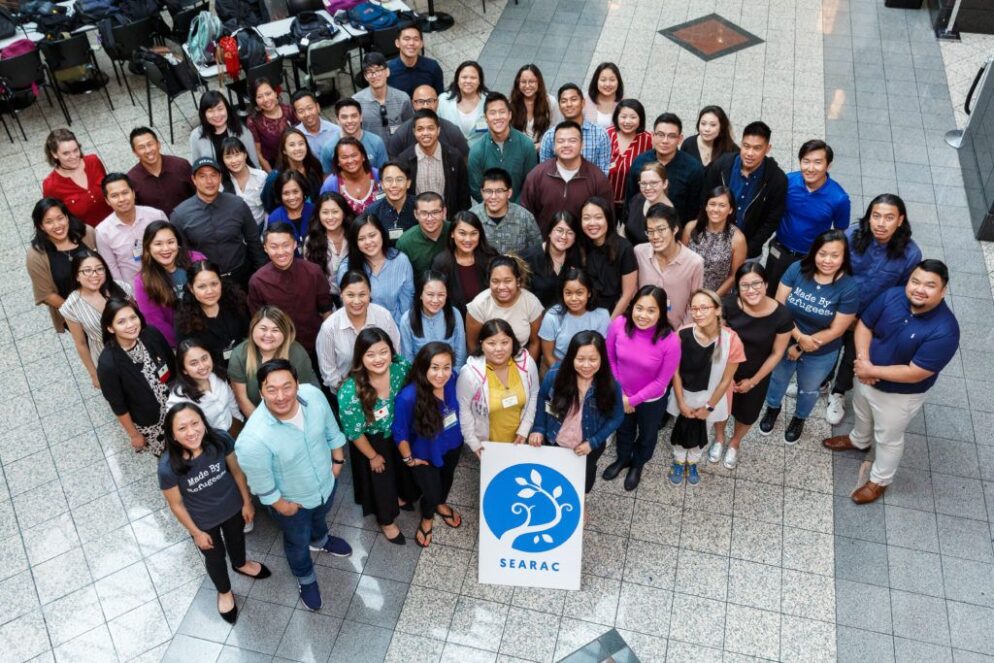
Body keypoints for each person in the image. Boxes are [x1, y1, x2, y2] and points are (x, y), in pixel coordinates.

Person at [822, 260, 960, 504]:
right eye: (915, 281)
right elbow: (864, 325)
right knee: (861, 412)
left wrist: (872, 370)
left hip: (899, 396)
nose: (919, 289)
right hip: (866, 375)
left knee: (888, 437)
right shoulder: (893, 296)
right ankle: (859, 441)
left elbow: (916, 372)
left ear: (943, 290)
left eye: (929, 285)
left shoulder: (945, 330)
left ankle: (880, 480)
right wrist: (863, 362)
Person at [234, 359, 352, 611]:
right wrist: (283, 507)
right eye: (271, 389)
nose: (280, 396)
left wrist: (338, 461)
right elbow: (261, 483)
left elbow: (332, 430)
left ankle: (320, 540)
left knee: (320, 519)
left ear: (297, 384)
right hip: (292, 502)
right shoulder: (253, 439)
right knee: (297, 541)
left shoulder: (313, 396)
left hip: (325, 484)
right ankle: (305, 577)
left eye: (287, 387)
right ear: (261, 391)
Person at [159, 402, 268, 625]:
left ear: (203, 422)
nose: (191, 432)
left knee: (237, 539)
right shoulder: (168, 467)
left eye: (195, 423)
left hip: (232, 507)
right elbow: (176, 505)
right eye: (182, 428)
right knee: (215, 557)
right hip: (203, 521)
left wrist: (246, 502)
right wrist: (196, 533)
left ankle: (240, 563)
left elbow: (236, 472)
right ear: (172, 434)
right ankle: (224, 591)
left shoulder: (219, 439)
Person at [825, 194, 922, 425]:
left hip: (871, 318)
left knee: (853, 355)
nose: (881, 223)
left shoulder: (911, 253)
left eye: (889, 218)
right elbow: (833, 270)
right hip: (838, 307)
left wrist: (865, 320)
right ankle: (820, 381)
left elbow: (901, 294)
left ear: (900, 220)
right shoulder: (850, 235)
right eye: (876, 216)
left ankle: (838, 392)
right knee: (828, 346)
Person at [760, 230, 859, 443]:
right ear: (814, 252)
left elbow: (837, 330)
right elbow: (779, 305)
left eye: (835, 255)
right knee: (777, 380)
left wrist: (803, 345)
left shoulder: (849, 287)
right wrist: (798, 338)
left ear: (844, 257)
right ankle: (772, 409)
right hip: (785, 340)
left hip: (821, 351)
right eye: (823, 254)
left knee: (808, 389)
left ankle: (799, 418)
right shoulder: (796, 269)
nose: (827, 260)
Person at [336, 328, 417, 543]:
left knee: (400, 470)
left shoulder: (400, 369)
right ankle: (387, 521)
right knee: (381, 481)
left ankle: (399, 497)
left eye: (383, 352)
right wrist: (372, 456)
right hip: (371, 439)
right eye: (370, 355)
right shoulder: (350, 392)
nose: (379, 359)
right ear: (360, 358)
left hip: (398, 431)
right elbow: (354, 432)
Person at [711, 264, 793, 468]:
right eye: (744, 285)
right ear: (738, 287)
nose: (751, 289)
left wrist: (753, 382)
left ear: (766, 284)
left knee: (748, 414)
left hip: (757, 372)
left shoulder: (782, 315)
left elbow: (777, 353)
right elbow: (718, 341)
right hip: (726, 370)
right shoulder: (727, 305)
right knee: (721, 407)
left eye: (756, 283)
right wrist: (725, 376)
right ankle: (720, 437)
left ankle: (735, 443)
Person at [602, 286, 681, 491]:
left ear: (661, 312)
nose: (643, 315)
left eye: (651, 310)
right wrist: (621, 393)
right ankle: (622, 459)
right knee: (624, 429)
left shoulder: (670, 341)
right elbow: (610, 359)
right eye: (639, 308)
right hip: (621, 393)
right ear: (632, 306)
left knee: (647, 434)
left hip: (650, 400)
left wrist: (632, 400)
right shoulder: (619, 324)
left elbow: (661, 382)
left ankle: (637, 465)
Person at [529, 331, 624, 493]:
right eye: (580, 359)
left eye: (593, 359)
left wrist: (593, 442)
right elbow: (542, 398)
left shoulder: (611, 385)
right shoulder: (555, 375)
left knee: (584, 479)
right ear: (571, 357)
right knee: (553, 476)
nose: (586, 365)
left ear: (602, 358)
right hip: (554, 440)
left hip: (587, 446)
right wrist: (538, 428)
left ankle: (580, 502)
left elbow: (617, 417)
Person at [666, 290, 744, 485]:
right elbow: (674, 371)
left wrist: (708, 407)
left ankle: (693, 461)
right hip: (683, 395)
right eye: (694, 308)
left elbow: (727, 380)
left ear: (717, 310)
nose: (698, 313)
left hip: (712, 399)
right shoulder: (682, 334)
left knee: (704, 430)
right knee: (681, 427)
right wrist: (681, 402)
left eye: (704, 308)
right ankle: (678, 459)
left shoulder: (731, 340)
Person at [393, 342, 464, 548]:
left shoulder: (453, 380)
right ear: (423, 367)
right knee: (431, 493)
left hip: (452, 444)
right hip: (424, 455)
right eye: (435, 367)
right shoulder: (408, 397)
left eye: (446, 367)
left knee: (447, 479)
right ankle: (427, 517)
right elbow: (400, 432)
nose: (441, 374)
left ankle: (441, 504)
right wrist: (409, 459)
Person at [764, 140, 850, 294]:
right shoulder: (788, 181)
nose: (810, 168)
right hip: (780, 249)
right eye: (806, 161)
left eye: (817, 162)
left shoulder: (839, 198)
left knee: (797, 296)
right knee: (769, 288)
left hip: (809, 258)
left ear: (828, 165)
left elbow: (840, 232)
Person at [170, 157, 268, 288]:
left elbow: (254, 240)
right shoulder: (180, 215)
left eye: (213, 175)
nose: (209, 181)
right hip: (206, 283)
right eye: (202, 176)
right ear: (194, 179)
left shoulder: (237, 205)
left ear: (220, 177)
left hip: (242, 275)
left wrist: (261, 273)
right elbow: (181, 255)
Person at [97, 298, 176, 457]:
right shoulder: (108, 364)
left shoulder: (151, 335)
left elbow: (172, 366)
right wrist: (134, 435)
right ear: (111, 328)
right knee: (170, 458)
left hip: (175, 406)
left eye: (133, 317)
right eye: (121, 322)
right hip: (151, 422)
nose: (131, 325)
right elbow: (119, 406)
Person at [704, 121, 787, 261]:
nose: (749, 153)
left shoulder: (777, 179)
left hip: (748, 252)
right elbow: (704, 199)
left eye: (757, 148)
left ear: (768, 148)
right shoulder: (723, 165)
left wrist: (748, 248)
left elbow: (772, 220)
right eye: (746, 146)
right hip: (713, 242)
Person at [457, 318, 540, 452]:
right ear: (481, 344)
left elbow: (534, 393)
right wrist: (473, 443)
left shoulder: (526, 363)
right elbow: (464, 410)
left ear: (513, 342)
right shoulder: (469, 373)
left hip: (520, 443)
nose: (499, 349)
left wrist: (525, 429)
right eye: (491, 343)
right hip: (483, 447)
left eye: (505, 342)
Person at [249, 223, 332, 355]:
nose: (281, 252)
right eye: (274, 247)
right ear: (265, 248)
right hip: (279, 350)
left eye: (286, 245)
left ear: (294, 245)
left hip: (316, 344)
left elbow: (326, 311)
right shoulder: (258, 281)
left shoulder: (313, 272)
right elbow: (258, 323)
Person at [519, 120, 613, 233]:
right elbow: (526, 216)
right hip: (546, 245)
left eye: (572, 140)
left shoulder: (598, 178)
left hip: (584, 247)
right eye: (560, 141)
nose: (566, 145)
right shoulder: (537, 175)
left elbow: (607, 219)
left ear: (582, 144)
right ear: (554, 146)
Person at [316, 271, 401, 395]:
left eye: (362, 294)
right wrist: (350, 394)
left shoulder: (384, 317)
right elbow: (329, 372)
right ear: (341, 294)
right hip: (348, 394)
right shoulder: (329, 328)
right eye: (350, 295)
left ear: (370, 293)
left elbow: (396, 354)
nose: (356, 301)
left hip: (386, 389)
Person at [228, 306, 320, 417]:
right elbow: (242, 398)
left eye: (275, 330)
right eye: (263, 329)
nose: (268, 335)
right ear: (253, 328)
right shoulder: (239, 354)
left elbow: (305, 395)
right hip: (258, 417)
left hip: (295, 414)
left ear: (285, 333)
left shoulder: (297, 353)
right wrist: (263, 428)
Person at [60, 250, 133, 389]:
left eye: (99, 269)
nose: (94, 275)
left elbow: (139, 318)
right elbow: (81, 343)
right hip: (108, 358)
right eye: (87, 271)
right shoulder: (71, 306)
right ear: (76, 275)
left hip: (137, 349)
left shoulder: (120, 288)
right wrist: (94, 374)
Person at [26, 198, 97, 333]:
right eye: (49, 222)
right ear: (41, 226)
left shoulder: (86, 233)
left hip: (106, 304)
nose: (57, 225)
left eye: (60, 218)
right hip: (75, 315)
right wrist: (80, 314)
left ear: (67, 217)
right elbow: (46, 294)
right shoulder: (36, 255)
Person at [133, 222, 206, 347]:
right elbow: (156, 322)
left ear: (178, 243)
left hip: (210, 329)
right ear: (148, 247)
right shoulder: (143, 280)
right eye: (158, 244)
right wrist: (186, 345)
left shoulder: (197, 259)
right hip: (179, 343)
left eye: (171, 242)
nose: (166, 249)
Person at [625, 113, 705, 225]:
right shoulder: (640, 162)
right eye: (660, 135)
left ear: (680, 139)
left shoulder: (693, 169)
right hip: (638, 227)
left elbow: (694, 210)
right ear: (653, 135)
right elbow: (630, 198)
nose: (665, 141)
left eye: (671, 136)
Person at [634, 204, 704, 330]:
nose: (655, 236)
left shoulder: (695, 263)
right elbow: (633, 292)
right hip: (642, 329)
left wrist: (681, 333)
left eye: (661, 230)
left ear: (675, 229)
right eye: (650, 231)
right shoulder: (639, 252)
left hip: (676, 332)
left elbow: (694, 303)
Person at [338, 215, 415, 322]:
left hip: (395, 327)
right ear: (355, 243)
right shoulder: (346, 268)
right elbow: (347, 308)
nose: (368, 242)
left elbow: (407, 304)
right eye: (361, 239)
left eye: (372, 235)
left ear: (382, 234)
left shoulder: (401, 261)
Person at [174, 260, 249, 368]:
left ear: (221, 283)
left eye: (214, 284)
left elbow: (247, 335)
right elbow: (188, 358)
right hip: (211, 373)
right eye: (202, 286)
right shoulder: (184, 318)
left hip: (242, 365)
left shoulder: (235, 303)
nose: (209, 291)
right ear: (191, 289)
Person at [466, 256, 544, 359]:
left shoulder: (531, 303)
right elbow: (473, 345)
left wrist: (527, 370)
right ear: (489, 282)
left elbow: (535, 343)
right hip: (487, 363)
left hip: (520, 361)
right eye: (495, 281)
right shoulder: (479, 305)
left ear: (518, 281)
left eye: (507, 281)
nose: (501, 287)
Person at [95, 173, 168, 284]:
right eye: (114, 196)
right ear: (107, 201)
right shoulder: (103, 232)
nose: (122, 199)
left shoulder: (156, 216)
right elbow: (111, 268)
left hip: (167, 279)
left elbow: (174, 246)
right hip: (135, 291)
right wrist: (126, 295)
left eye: (125, 193)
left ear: (133, 193)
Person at [468, 93, 538, 204]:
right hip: (488, 212)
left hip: (520, 210)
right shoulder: (477, 150)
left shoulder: (526, 145)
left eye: (502, 112)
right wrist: (494, 206)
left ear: (510, 115)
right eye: (492, 113)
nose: (498, 117)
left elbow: (531, 184)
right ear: (485, 118)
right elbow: (475, 188)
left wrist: (512, 210)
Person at [397, 110, 471, 215]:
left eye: (430, 128)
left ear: (438, 130)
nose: (425, 133)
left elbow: (464, 196)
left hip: (447, 221)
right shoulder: (404, 160)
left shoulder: (454, 157)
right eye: (420, 129)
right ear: (414, 132)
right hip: (415, 222)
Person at [166, 340, 244, 435]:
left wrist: (240, 422)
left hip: (232, 428)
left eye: (204, 358)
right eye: (194, 363)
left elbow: (231, 403)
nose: (202, 366)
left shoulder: (218, 375)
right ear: (184, 370)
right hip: (210, 442)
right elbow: (179, 430)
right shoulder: (178, 398)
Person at [538, 267, 610, 368]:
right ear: (562, 293)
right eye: (568, 293)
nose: (574, 298)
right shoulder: (552, 316)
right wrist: (563, 378)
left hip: (590, 369)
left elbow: (601, 353)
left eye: (579, 293)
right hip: (559, 369)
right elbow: (548, 356)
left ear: (589, 293)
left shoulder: (602, 316)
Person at [682, 186, 747, 296]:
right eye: (712, 204)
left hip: (715, 296)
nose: (716, 209)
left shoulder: (737, 239)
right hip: (685, 290)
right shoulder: (691, 228)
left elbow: (734, 276)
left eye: (722, 205)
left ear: (730, 210)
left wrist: (713, 298)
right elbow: (681, 260)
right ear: (706, 207)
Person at [430, 211, 499, 313]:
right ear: (452, 234)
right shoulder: (441, 263)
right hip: (455, 322)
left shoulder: (490, 257)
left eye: (473, 233)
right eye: (462, 233)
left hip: (490, 319)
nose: (468, 239)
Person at [579, 197, 637, 317]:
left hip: (613, 313)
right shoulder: (580, 246)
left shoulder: (624, 248)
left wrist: (609, 324)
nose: (592, 223)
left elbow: (628, 294)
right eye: (586, 218)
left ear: (608, 219)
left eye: (598, 217)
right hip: (583, 312)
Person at [41, 129, 112, 227]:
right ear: (54, 154)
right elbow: (55, 218)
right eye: (66, 153)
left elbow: (110, 188)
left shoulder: (94, 161)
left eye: (75, 150)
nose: (73, 156)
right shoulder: (51, 185)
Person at [399, 271, 467, 368]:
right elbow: (408, 358)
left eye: (441, 295)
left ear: (447, 295)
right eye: (430, 294)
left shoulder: (454, 314)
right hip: (420, 376)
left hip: (449, 374)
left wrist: (453, 376)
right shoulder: (407, 319)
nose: (435, 300)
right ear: (421, 295)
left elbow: (460, 354)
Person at [538, 84, 611, 174]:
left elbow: (603, 171)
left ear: (583, 103)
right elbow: (545, 171)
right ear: (560, 107)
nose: (569, 104)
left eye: (573, 99)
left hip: (591, 187)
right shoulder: (549, 136)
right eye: (564, 101)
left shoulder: (600, 134)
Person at [468, 168, 542, 255]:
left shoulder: (525, 217)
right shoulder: (472, 217)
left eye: (499, 191)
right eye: (488, 191)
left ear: (509, 193)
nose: (493, 197)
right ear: (482, 192)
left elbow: (537, 252)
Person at [386, 85, 469, 159]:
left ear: (437, 102)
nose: (425, 106)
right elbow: (393, 161)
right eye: (420, 101)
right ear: (413, 104)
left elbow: (464, 158)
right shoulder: (401, 133)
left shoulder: (452, 130)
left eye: (430, 101)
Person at [521, 211, 583, 308]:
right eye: (559, 230)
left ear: (575, 238)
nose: (564, 236)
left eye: (570, 232)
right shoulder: (527, 258)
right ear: (549, 232)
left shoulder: (576, 258)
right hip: (535, 319)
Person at [128, 127, 195, 217]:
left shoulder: (180, 165)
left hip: (190, 220)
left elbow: (199, 193)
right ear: (135, 152)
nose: (148, 150)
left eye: (150, 144)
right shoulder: (132, 179)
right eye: (141, 147)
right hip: (157, 228)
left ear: (158, 144)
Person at [260, 128, 325, 214]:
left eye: (301, 144)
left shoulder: (314, 167)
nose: (298, 148)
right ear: (284, 150)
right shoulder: (275, 177)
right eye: (292, 145)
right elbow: (268, 204)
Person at [354, 52, 414, 143]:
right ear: (365, 76)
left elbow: (410, 128)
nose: (374, 75)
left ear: (387, 72)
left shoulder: (402, 99)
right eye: (370, 72)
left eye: (378, 70)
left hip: (398, 151)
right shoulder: (356, 102)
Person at [303, 192, 353, 298]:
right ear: (318, 215)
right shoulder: (311, 241)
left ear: (343, 213)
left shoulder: (354, 234)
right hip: (326, 297)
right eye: (325, 212)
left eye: (335, 212)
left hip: (355, 294)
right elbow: (311, 279)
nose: (330, 217)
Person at [189, 91, 260, 166]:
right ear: (203, 114)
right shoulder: (196, 136)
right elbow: (196, 167)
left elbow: (253, 160)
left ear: (227, 109)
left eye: (220, 109)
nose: (216, 115)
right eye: (210, 111)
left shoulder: (242, 130)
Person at [607, 99, 653, 216]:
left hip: (632, 202)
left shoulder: (648, 140)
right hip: (604, 200)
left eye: (633, 117)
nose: (627, 121)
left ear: (640, 119)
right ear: (616, 118)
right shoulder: (606, 134)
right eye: (623, 117)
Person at [319, 99, 388, 172]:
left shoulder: (376, 142)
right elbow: (327, 177)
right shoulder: (329, 148)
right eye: (344, 117)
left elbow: (384, 173)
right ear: (337, 120)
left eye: (354, 116)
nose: (349, 121)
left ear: (361, 117)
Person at [319, 137, 381, 215]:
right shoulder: (330, 184)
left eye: (354, 155)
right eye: (344, 157)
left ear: (363, 157)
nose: (350, 161)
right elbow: (323, 213)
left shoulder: (378, 176)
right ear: (338, 161)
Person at [246, 78, 297, 172]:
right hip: (274, 166)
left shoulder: (289, 110)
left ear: (275, 93)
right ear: (255, 100)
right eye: (259, 96)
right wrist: (272, 175)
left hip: (296, 158)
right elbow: (258, 153)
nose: (265, 99)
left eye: (268, 93)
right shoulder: (253, 121)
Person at [437, 61, 489, 150]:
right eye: (464, 77)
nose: (468, 81)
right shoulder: (443, 100)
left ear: (480, 81)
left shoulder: (489, 101)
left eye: (473, 78)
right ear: (457, 79)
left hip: (481, 154)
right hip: (451, 153)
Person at [397, 191, 453, 276]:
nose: (430, 218)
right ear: (416, 214)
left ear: (444, 212)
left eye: (435, 212)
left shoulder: (455, 232)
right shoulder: (405, 243)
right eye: (424, 213)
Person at [219, 136, 268, 231]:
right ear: (223, 160)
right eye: (228, 157)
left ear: (245, 154)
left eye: (237, 154)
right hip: (236, 232)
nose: (234, 161)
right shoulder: (220, 183)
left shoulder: (261, 176)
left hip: (261, 227)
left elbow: (269, 205)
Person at [364, 161, 418, 244]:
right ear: (381, 184)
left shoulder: (420, 207)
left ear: (408, 183)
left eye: (399, 179)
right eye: (389, 180)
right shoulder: (372, 212)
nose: (394, 185)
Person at [623, 161, 675, 245]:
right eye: (643, 183)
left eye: (653, 183)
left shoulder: (669, 214)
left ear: (665, 184)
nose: (647, 188)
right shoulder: (637, 199)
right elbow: (624, 228)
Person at [509, 64, 561, 147]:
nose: (527, 86)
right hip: (519, 150)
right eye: (523, 82)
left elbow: (556, 129)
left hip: (543, 149)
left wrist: (540, 145)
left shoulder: (551, 102)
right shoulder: (511, 103)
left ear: (538, 82)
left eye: (531, 81)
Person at [388, 23, 444, 97]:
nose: (411, 43)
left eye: (416, 39)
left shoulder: (433, 67)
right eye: (406, 39)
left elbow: (440, 96)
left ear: (421, 44)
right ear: (397, 43)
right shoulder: (387, 70)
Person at [265, 171, 314, 246]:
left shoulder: (314, 210)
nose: (292, 197)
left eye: (295, 192)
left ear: (303, 191)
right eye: (286, 193)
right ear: (280, 195)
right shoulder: (275, 217)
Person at [292, 88, 340, 157]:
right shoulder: (295, 136)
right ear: (296, 115)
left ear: (318, 107)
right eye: (301, 111)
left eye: (310, 108)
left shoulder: (336, 131)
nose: (307, 114)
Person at [584, 62, 624, 129]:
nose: (608, 84)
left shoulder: (624, 102)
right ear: (596, 81)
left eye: (612, 80)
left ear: (618, 82)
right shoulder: (584, 100)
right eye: (603, 80)